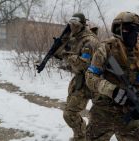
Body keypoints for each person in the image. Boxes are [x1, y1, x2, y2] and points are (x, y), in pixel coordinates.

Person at [85, 11, 139, 141]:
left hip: (128, 113)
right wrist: (112, 90)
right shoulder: (106, 48)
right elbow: (90, 77)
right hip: (103, 111)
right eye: (129, 29)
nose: (133, 34)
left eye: (136, 30)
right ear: (118, 29)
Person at [54, 13, 100, 141]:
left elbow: (82, 65)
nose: (72, 27)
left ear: (82, 25)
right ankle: (81, 136)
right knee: (69, 114)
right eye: (71, 24)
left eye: (75, 24)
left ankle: (85, 136)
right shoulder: (75, 37)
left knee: (99, 117)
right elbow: (59, 54)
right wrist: (61, 44)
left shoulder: (89, 41)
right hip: (81, 80)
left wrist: (66, 55)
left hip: (93, 82)